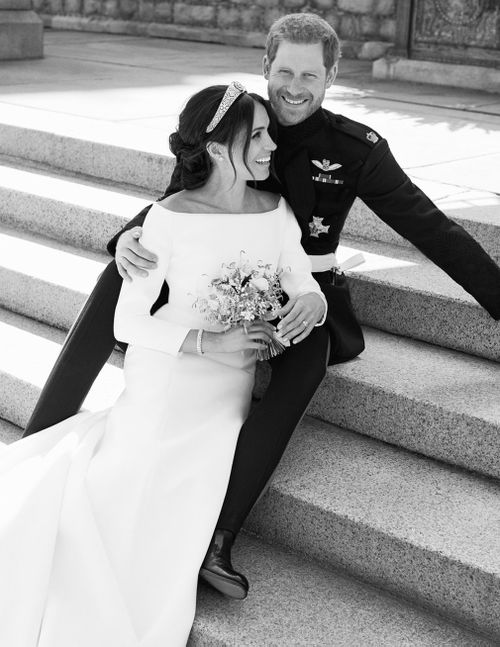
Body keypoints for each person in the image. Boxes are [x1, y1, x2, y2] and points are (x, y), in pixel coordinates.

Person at [24, 13, 500, 602]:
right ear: (266, 68)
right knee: (115, 278)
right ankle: (37, 441)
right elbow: (182, 202)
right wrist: (128, 236)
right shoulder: (236, 121)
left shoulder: (356, 149)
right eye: (283, 72)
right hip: (217, 280)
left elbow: (432, 228)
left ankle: (219, 536)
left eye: (310, 74)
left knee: (310, 355)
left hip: (301, 287)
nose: (294, 87)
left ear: (331, 77)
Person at [0, 83, 327, 646]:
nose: (274, 144)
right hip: (169, 377)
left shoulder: (277, 210)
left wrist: (312, 303)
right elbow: (127, 323)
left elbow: (301, 278)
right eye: (259, 135)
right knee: (131, 497)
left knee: (193, 487)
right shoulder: (167, 218)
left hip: (228, 391)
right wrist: (209, 342)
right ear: (221, 148)